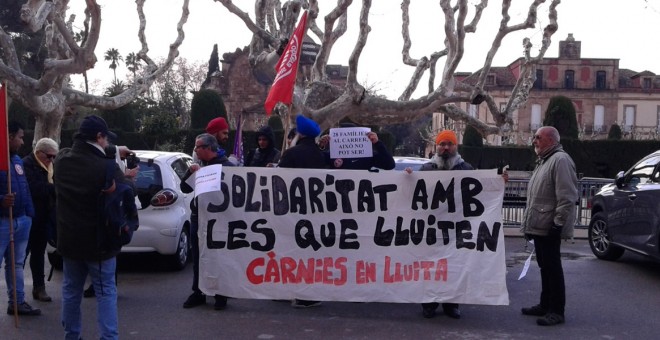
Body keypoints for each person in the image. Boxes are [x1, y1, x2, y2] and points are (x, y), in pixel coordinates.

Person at [53, 115, 128, 339]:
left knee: (70, 291)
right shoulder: (107, 168)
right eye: (105, 139)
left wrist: (112, 148)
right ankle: (108, 337)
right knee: (105, 293)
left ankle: (72, 335)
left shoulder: (62, 160)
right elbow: (125, 192)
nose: (107, 144)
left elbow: (76, 151)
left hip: (69, 240)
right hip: (99, 244)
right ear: (98, 137)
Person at [403, 129, 469, 319]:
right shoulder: (426, 169)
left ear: (455, 146)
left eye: (450, 144)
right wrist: (407, 178)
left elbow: (483, 191)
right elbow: (413, 194)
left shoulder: (466, 169)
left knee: (454, 266)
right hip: (431, 228)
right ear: (436, 147)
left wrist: (499, 181)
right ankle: (429, 304)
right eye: (442, 144)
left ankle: (451, 305)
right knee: (430, 267)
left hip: (455, 228)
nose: (446, 147)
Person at [520, 126, 578, 326]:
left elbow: (567, 197)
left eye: (538, 137)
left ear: (551, 140)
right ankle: (545, 305)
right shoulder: (545, 161)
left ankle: (556, 311)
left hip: (550, 226)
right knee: (545, 267)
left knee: (553, 268)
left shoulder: (560, 160)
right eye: (534, 137)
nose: (534, 140)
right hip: (541, 225)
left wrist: (557, 224)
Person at [181, 133, 235, 310]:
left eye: (198, 147)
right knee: (198, 256)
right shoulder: (199, 166)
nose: (195, 150)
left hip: (219, 221)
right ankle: (199, 291)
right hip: (199, 218)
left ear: (208, 148)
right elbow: (184, 187)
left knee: (218, 257)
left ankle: (221, 294)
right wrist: (190, 172)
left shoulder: (227, 166)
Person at [278, 115, 326, 308]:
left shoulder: (291, 154)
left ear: (299, 134)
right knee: (311, 253)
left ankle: (289, 290)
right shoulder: (321, 155)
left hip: (293, 210)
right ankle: (310, 293)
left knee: (291, 250)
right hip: (316, 211)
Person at [1, 121, 40, 316]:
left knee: (17, 264)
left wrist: (29, 214)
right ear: (9, 137)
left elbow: (24, 188)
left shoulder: (17, 160)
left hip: (22, 220)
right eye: (20, 137)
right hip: (2, 221)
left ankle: (17, 302)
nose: (22, 141)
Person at [22, 137, 59, 303]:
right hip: (29, 217)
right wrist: (54, 188)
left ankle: (39, 287)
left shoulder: (51, 166)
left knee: (38, 254)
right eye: (49, 156)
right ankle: (16, 293)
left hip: (44, 217)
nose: (51, 160)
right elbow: (34, 188)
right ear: (38, 152)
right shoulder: (26, 165)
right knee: (20, 257)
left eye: (54, 157)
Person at [319, 123, 395, 170]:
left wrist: (377, 143)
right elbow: (313, 162)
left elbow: (389, 165)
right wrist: (321, 146)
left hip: (360, 194)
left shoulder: (367, 155)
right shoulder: (332, 155)